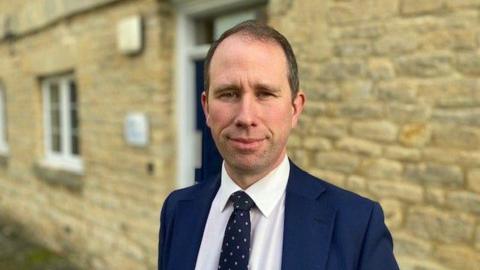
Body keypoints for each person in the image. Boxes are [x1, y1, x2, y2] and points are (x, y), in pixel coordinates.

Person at [158, 20, 399, 270]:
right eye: (229, 93)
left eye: (265, 94)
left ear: (295, 108)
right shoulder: (178, 210)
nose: (246, 117)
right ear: (206, 107)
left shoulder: (356, 226)